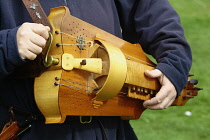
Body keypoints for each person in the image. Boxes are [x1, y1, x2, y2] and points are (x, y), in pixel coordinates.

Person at [0, 0, 192, 139]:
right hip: (31, 129)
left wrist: (174, 59)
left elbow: (148, 7)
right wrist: (8, 44)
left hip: (110, 129)